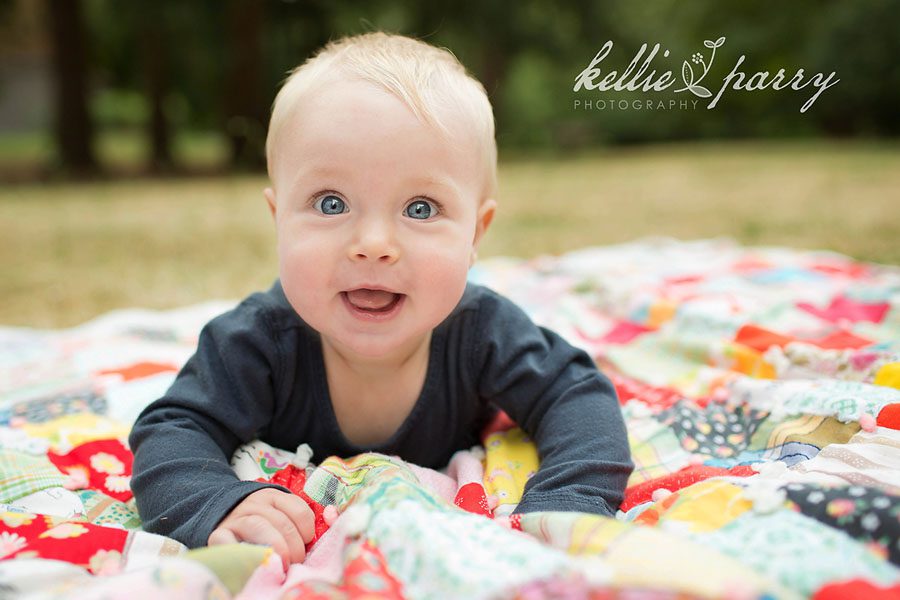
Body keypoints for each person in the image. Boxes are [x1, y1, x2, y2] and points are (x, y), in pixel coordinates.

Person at [129, 31, 633, 568]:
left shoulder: (481, 330)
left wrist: (568, 502)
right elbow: (173, 430)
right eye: (330, 203)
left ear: (475, 234)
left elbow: (576, 396)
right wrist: (212, 502)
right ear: (279, 220)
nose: (372, 246)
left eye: (420, 208)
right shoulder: (257, 341)